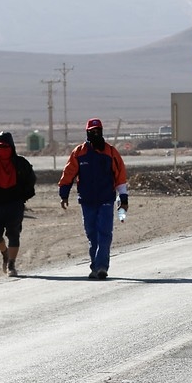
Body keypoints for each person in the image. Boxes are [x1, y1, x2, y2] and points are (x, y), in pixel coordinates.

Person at [58, 118, 128, 279]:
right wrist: (64, 194)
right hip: (87, 201)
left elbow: (120, 176)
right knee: (92, 234)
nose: (95, 134)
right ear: (87, 133)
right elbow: (69, 173)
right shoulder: (79, 153)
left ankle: (102, 266)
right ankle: (95, 266)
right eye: (92, 132)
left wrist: (123, 199)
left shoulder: (111, 152)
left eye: (98, 131)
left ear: (102, 132)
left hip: (106, 199)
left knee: (104, 233)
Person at [0, 132, 37, 277]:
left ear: (12, 147)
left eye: (6, 146)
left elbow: (31, 180)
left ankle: (11, 264)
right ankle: (5, 253)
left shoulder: (21, 163)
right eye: (0, 146)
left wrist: (22, 196)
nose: (3, 149)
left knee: (14, 234)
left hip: (15, 204)